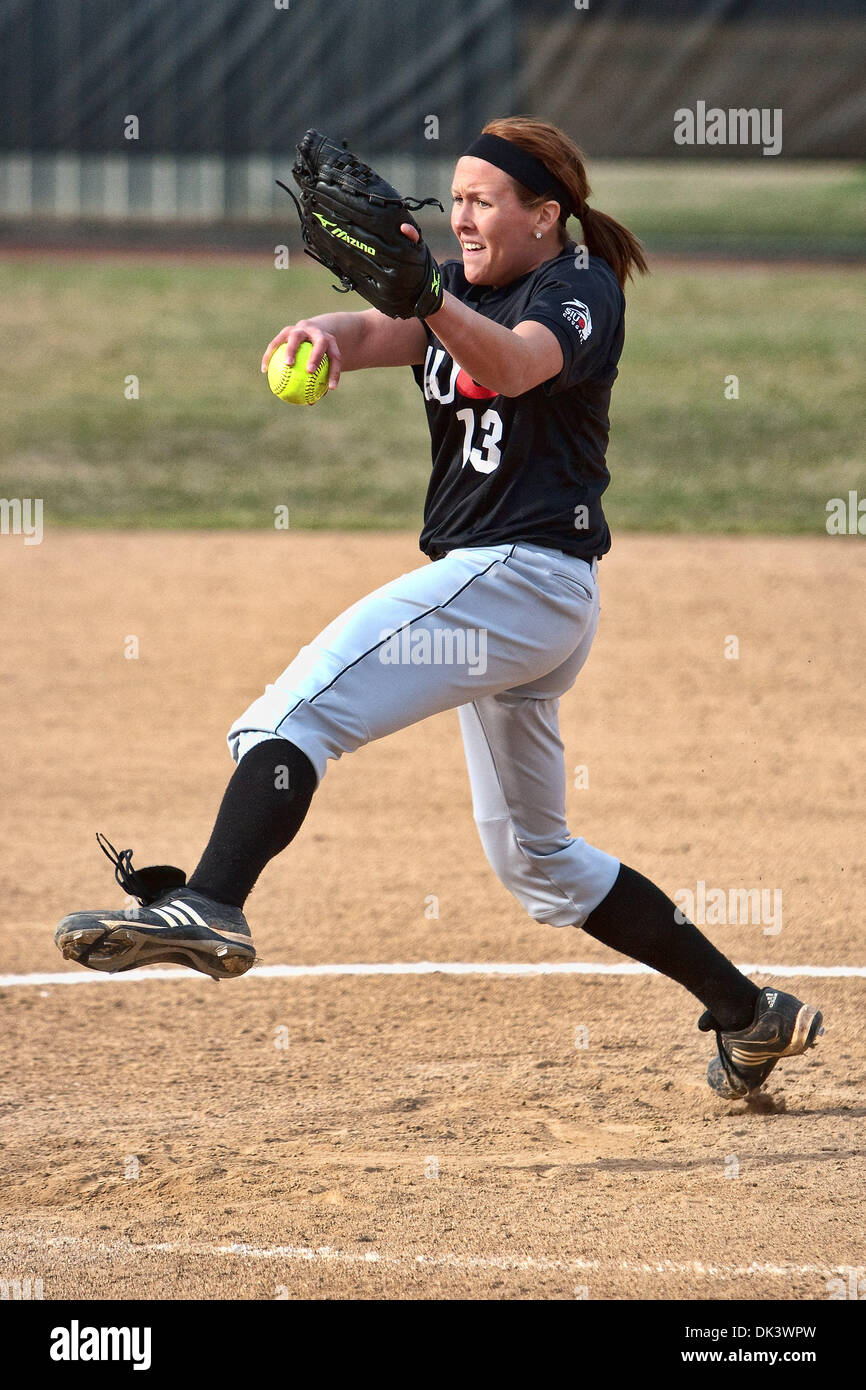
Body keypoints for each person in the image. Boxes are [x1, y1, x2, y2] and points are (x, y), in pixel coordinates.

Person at [55, 116, 823, 1100]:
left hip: (520, 576)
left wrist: (429, 298)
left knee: (295, 713)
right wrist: (322, 333)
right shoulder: (458, 289)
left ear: (543, 215)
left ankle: (210, 902)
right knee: (538, 862)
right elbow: (379, 332)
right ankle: (746, 1013)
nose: (459, 214)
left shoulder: (575, 287)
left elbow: (511, 365)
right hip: (514, 601)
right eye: (452, 197)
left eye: (482, 199)